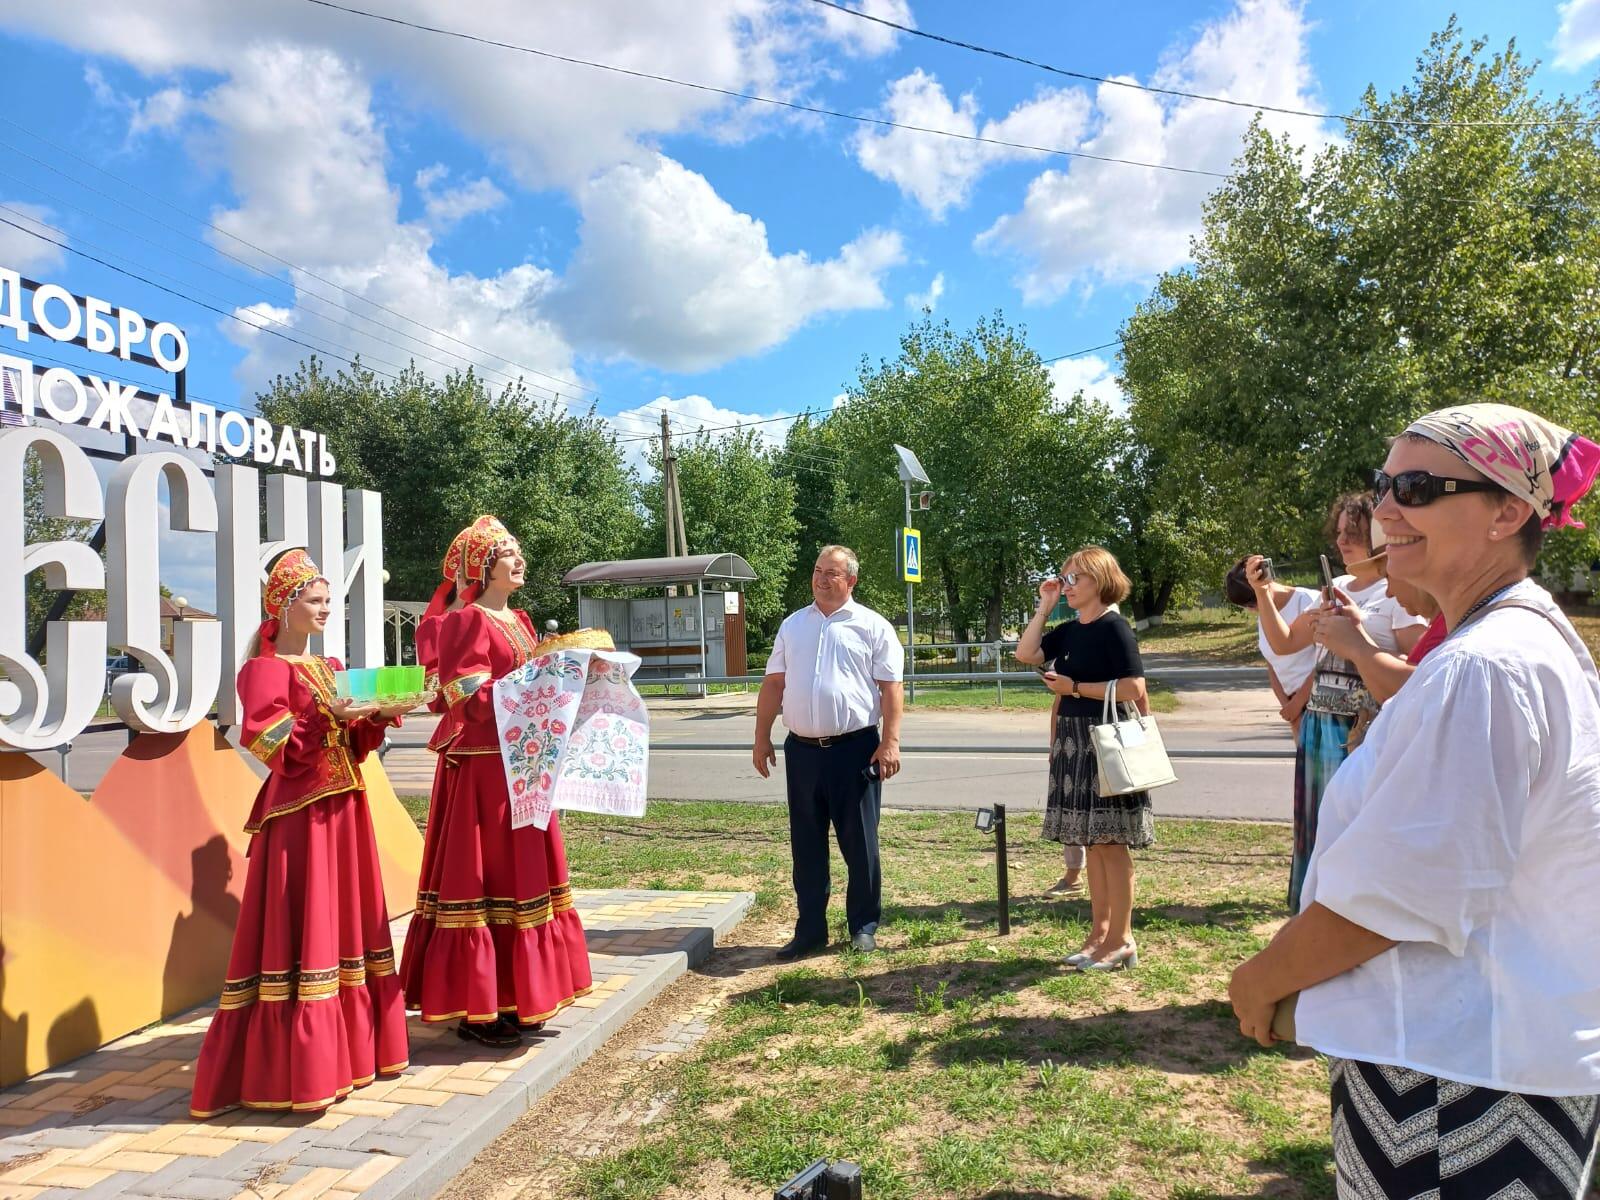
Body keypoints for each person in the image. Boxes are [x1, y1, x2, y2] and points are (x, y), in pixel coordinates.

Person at [1230, 402, 1600, 1199]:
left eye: (1420, 487)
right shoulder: (1513, 644)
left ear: (1508, 510)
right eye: (1384, 483)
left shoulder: (1486, 666)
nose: (1387, 510)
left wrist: (1260, 981)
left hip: (1457, 1082)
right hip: (1481, 1061)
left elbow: (1400, 895)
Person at [190, 549, 411, 1117]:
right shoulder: (263, 670)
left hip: (345, 809)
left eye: (327, 600)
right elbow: (271, 746)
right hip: (301, 818)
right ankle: (298, 1065)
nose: (324, 610)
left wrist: (375, 714)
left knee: (345, 922)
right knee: (307, 926)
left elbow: (351, 747)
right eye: (314, 601)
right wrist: (325, 717)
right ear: (284, 607)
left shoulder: (330, 665)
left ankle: (351, 1055)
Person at [400, 516, 592, 1045]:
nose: (520, 559)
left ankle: (519, 996)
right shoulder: (469, 622)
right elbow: (469, 699)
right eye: (509, 553)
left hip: (522, 764)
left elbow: (525, 685)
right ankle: (479, 1006)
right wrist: (541, 681)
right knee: (486, 879)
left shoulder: (522, 621)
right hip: (485, 769)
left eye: (518, 551)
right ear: (485, 568)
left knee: (523, 875)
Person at [1249, 495, 1426, 910]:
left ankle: (1350, 913)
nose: (1343, 539)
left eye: (1354, 531)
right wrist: (1261, 592)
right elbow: (1284, 642)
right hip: (1319, 723)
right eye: (1340, 530)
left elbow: (1420, 670)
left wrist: (1359, 633)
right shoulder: (1336, 587)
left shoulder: (1398, 590)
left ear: (1378, 536)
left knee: (1353, 825)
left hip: (1364, 727)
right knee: (1316, 822)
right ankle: (1313, 910)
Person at [753, 545, 903, 959]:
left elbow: (891, 688)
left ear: (851, 580)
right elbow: (773, 684)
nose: (821, 578)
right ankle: (810, 931)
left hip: (854, 751)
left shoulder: (872, 626)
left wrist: (890, 742)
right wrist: (761, 736)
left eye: (832, 573)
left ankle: (863, 926)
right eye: (817, 570)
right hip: (802, 753)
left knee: (859, 844)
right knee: (806, 844)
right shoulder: (793, 625)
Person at [1016, 546, 1151, 971]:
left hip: (1107, 742)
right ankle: (1098, 935)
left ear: (1099, 581)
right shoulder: (1071, 629)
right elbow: (1026, 654)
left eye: (1075, 579)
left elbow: (1133, 688)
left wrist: (1074, 689)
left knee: (1112, 844)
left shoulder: (1116, 628)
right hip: (1076, 743)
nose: (1067, 585)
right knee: (1094, 844)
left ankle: (1122, 938)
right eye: (1064, 578)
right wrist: (1045, 606)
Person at [397, 524, 470, 1005]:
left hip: (510, 754)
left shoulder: (516, 618)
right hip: (470, 751)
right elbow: (443, 694)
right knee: (466, 865)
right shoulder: (450, 623)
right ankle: (464, 985)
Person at [1224, 558, 1319, 737]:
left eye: (1252, 603)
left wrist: (1298, 703)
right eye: (1246, 607)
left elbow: (1328, 659)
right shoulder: (1265, 615)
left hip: (1321, 701)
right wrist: (1289, 709)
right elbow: (1272, 666)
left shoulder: (1307, 600)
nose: (1252, 610)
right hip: (1295, 707)